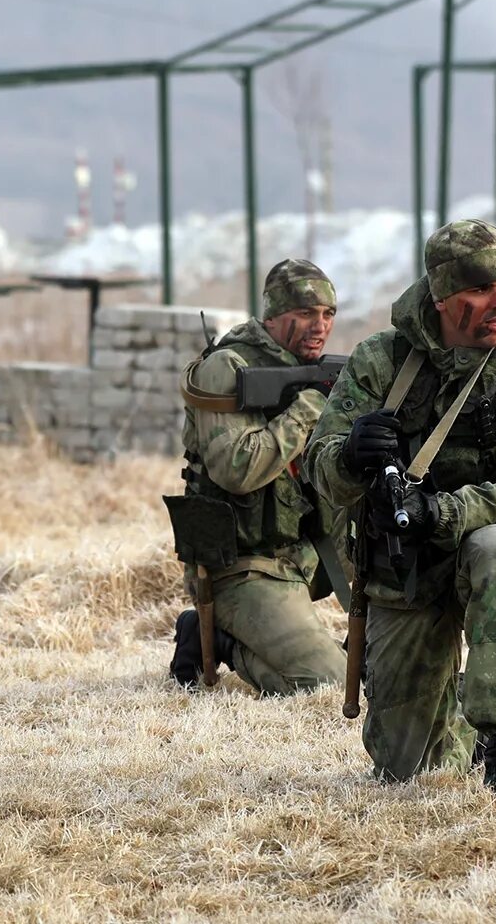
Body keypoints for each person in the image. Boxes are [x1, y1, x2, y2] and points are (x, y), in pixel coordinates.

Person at [303, 220, 496, 793]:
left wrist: (438, 512)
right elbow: (322, 470)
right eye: (481, 289)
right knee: (406, 769)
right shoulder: (381, 360)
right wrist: (350, 455)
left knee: (495, 544)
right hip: (404, 568)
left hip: (485, 549)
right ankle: (459, 731)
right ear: (443, 299)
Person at [168, 259, 347, 695]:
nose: (318, 325)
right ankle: (217, 638)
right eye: (305, 313)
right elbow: (237, 471)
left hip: (307, 552)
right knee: (329, 687)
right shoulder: (226, 369)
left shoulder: (316, 374)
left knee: (396, 646)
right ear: (272, 315)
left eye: (327, 315)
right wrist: (309, 409)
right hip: (242, 565)